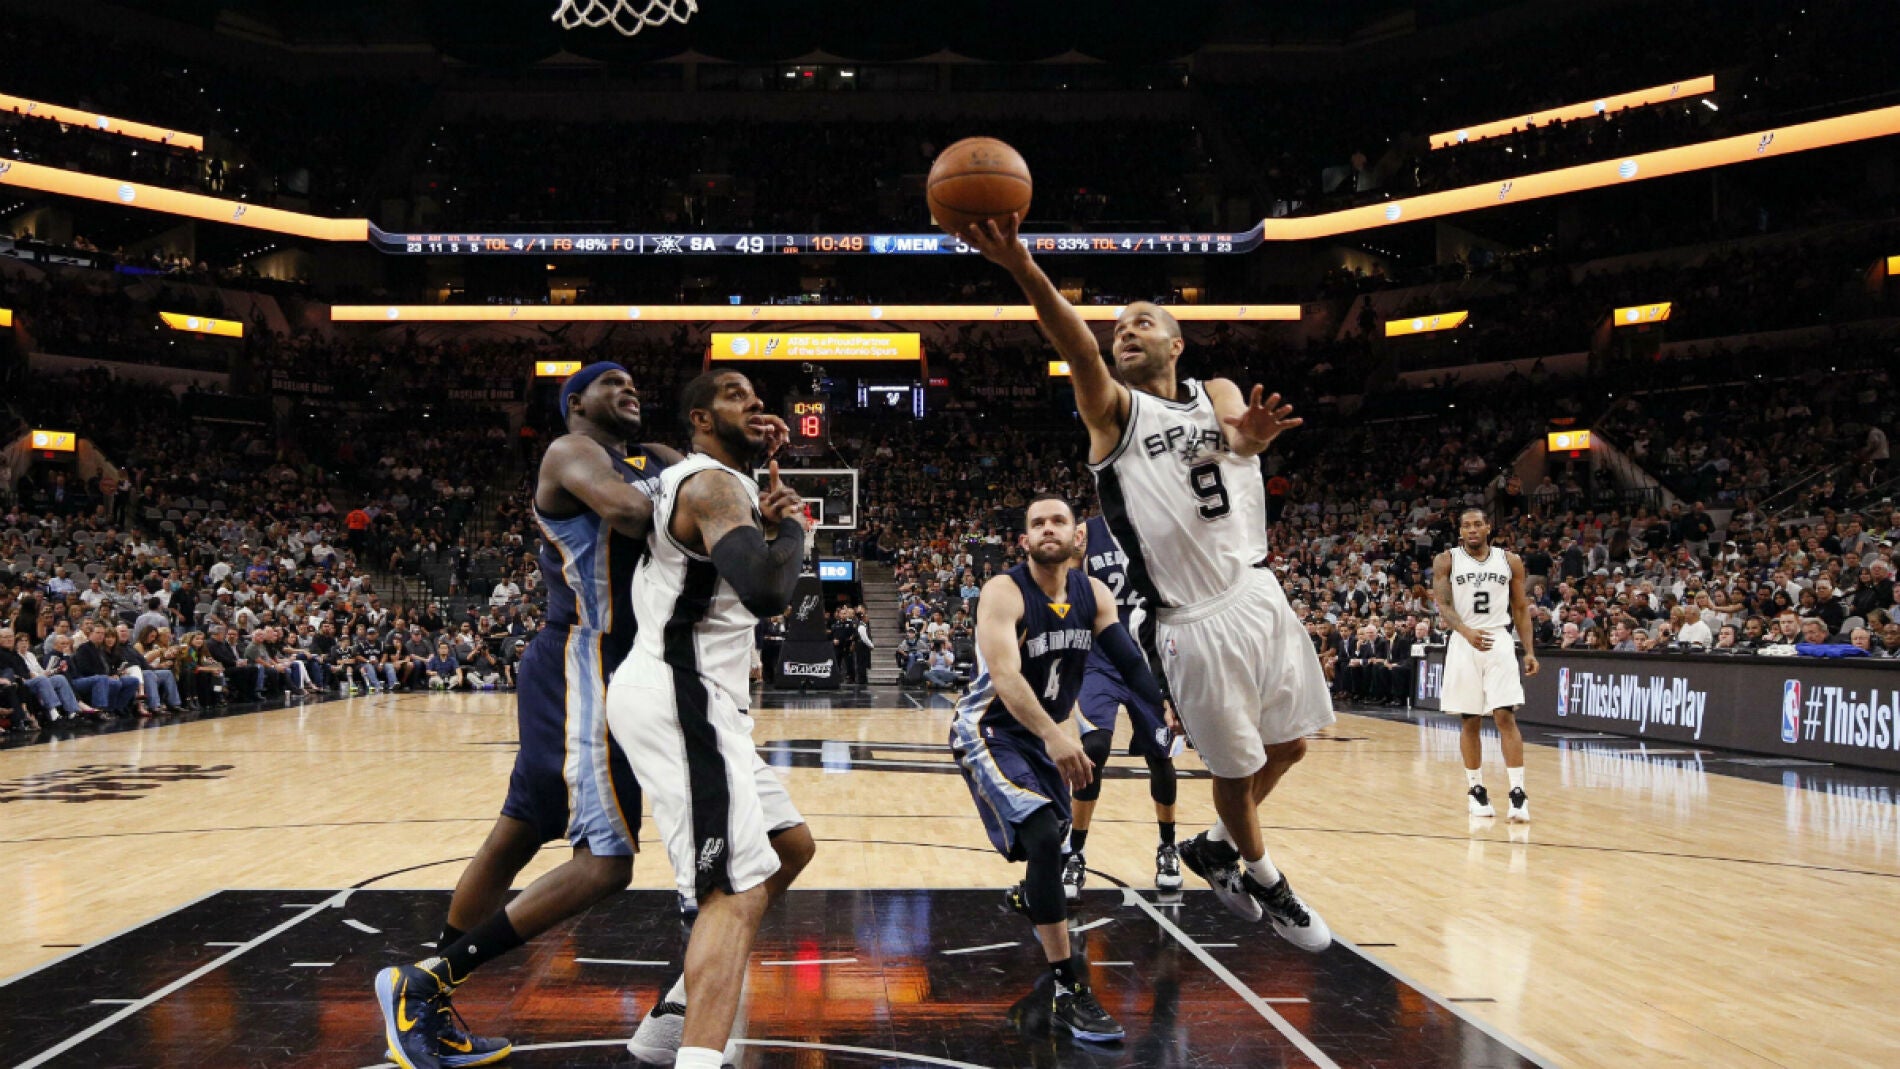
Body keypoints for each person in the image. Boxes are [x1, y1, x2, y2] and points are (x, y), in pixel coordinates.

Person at [963, 215, 1332, 949]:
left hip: (1259, 591)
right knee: (1237, 763)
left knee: (1291, 745)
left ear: (1176, 341)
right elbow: (1072, 342)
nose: (1123, 331)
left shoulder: (1215, 387)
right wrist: (1023, 267)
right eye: (1117, 327)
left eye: (1142, 323)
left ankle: (1215, 847)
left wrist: (1254, 438)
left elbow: (1234, 434)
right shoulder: (1113, 414)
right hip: (1191, 618)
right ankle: (1263, 873)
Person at [374, 362, 682, 1069]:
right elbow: (635, 513)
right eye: (613, 382)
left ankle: (429, 1004)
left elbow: (712, 488)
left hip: (601, 667)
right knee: (606, 865)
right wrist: (692, 488)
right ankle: (424, 983)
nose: (631, 389)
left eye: (637, 381)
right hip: (588, 660)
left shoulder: (651, 457)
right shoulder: (571, 451)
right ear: (577, 401)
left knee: (517, 834)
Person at [605, 369, 814, 1069]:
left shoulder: (714, 482)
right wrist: (797, 532)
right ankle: (696, 1056)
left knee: (789, 847)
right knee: (733, 889)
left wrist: (774, 519)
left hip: (700, 695)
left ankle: (673, 1015)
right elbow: (765, 591)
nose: (755, 401)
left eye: (759, 394)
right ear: (699, 419)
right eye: (734, 394)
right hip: (679, 689)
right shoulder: (713, 483)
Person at [952, 494, 1171, 1043]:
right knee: (1048, 838)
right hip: (992, 730)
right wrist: (1055, 734)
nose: (1047, 529)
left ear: (1079, 538)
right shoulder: (1004, 592)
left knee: (1045, 853)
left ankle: (1033, 896)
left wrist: (1166, 704)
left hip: (1044, 734)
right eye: (1036, 523)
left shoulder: (1093, 593)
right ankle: (1070, 990)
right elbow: (1004, 676)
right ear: (1024, 539)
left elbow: (1127, 660)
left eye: (1058, 521)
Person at [1065, 514, 1184, 900]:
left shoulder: (1162, 524)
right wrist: (1073, 557)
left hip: (1149, 657)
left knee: (1159, 755)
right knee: (1093, 750)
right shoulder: (1088, 529)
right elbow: (1065, 588)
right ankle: (1075, 852)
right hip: (1101, 656)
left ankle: (1168, 847)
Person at [1433, 509, 1539, 823]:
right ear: (1460, 532)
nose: (1472, 529)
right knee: (1470, 721)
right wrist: (1466, 632)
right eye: (1466, 525)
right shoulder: (1446, 560)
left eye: (1478, 524)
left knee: (1505, 715)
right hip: (1465, 641)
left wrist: (1529, 650)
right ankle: (1476, 789)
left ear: (1488, 527)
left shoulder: (1510, 560)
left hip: (1499, 639)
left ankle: (1518, 794)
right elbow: (1443, 604)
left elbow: (1520, 607)